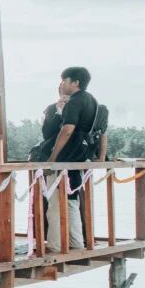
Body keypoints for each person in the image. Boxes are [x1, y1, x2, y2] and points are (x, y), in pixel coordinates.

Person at [44, 66, 98, 251]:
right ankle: (76, 244)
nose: (62, 84)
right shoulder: (92, 100)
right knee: (72, 201)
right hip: (79, 156)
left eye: (64, 80)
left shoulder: (74, 101)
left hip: (66, 157)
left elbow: (67, 130)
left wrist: (53, 157)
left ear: (75, 82)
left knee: (54, 205)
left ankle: (55, 246)